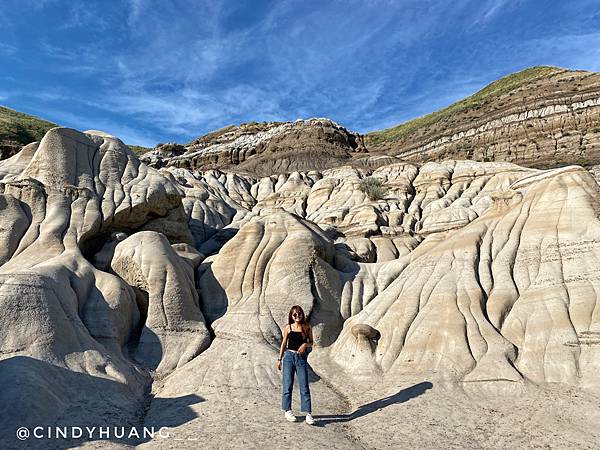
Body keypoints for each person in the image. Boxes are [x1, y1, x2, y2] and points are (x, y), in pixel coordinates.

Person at [277, 305, 315, 425]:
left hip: (301, 358)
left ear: (302, 314)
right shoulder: (288, 328)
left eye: (299, 313)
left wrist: (305, 345)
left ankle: (308, 413)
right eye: (294, 314)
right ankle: (287, 410)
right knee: (287, 384)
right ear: (291, 316)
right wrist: (279, 359)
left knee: (304, 385)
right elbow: (283, 343)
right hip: (288, 357)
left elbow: (312, 343)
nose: (297, 316)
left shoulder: (307, 327)